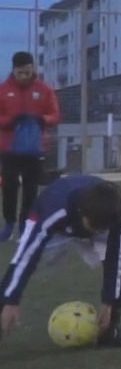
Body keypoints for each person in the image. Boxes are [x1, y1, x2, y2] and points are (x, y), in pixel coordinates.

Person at [0, 175, 121, 346]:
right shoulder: (56, 208)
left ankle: (109, 331)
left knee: (114, 262)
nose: (97, 231)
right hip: (55, 223)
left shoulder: (118, 214)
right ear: (82, 212)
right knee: (22, 262)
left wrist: (110, 303)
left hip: (85, 218)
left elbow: (117, 259)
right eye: (94, 227)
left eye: (102, 228)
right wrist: (12, 300)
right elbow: (26, 256)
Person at [0, 51, 61, 241]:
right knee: (9, 186)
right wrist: (10, 121)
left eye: (28, 72)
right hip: (9, 147)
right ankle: (9, 223)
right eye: (21, 73)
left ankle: (25, 224)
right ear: (14, 70)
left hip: (34, 148)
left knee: (31, 188)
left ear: (33, 68)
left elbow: (55, 115)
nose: (25, 76)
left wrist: (41, 119)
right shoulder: (3, 90)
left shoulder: (44, 90)